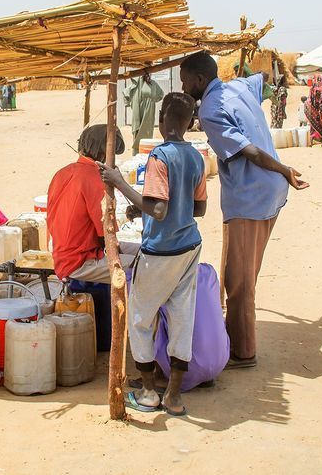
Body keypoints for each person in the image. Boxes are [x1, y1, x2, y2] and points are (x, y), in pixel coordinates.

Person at [180, 52, 309, 369]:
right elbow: (260, 78)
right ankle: (230, 334)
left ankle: (243, 351)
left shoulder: (210, 110)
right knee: (238, 268)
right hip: (266, 192)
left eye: (185, 81)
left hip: (251, 195)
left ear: (199, 79)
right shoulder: (238, 86)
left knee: (239, 280)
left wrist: (284, 169)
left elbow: (248, 151)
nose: (183, 87)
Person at [98, 93, 207, 416]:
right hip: (189, 247)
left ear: (161, 119)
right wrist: (143, 208)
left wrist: (119, 182)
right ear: (189, 123)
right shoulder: (196, 157)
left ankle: (147, 392)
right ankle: (173, 395)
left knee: (140, 318)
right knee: (182, 318)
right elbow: (197, 208)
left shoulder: (159, 156)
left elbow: (159, 209)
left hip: (162, 251)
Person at [47, 124, 139, 283]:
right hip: (79, 261)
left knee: (145, 251)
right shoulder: (95, 178)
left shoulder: (62, 173)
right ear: (104, 153)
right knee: (145, 266)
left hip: (63, 254)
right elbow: (106, 235)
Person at [124, 72, 165, 155]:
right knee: (137, 130)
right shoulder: (138, 83)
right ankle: (136, 153)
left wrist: (152, 100)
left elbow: (161, 94)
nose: (148, 76)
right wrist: (130, 102)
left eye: (149, 74)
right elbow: (126, 92)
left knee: (147, 131)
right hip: (138, 110)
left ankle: (146, 153)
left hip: (149, 111)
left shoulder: (153, 84)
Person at [305, 75, 322, 145]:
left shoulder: (314, 88)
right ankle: (321, 141)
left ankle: (314, 141)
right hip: (319, 111)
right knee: (320, 126)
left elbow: (310, 100)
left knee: (315, 126)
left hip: (317, 111)